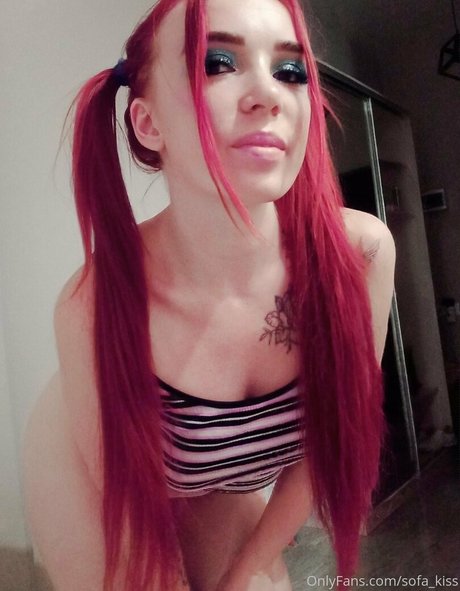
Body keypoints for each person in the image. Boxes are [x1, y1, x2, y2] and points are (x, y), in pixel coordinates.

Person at [22, 0, 396, 589]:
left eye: (290, 71)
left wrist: (244, 569)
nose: (268, 94)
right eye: (216, 63)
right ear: (148, 124)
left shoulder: (361, 256)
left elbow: (329, 442)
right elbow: (132, 510)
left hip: (213, 474)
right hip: (102, 479)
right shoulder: (90, 305)